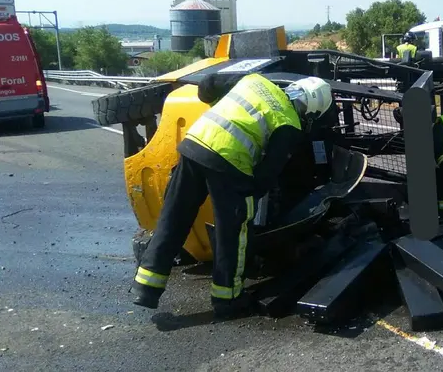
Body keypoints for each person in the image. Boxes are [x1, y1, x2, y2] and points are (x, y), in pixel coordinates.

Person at [130, 72, 334, 319]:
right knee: (233, 232)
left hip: (195, 143)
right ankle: (227, 299)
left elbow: (207, 85)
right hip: (229, 161)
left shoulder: (255, 80)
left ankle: (146, 287)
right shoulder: (289, 122)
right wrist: (247, 200)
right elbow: (267, 175)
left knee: (174, 217)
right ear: (310, 111)